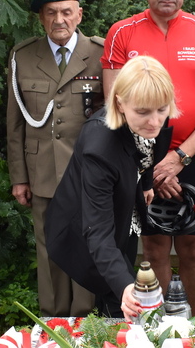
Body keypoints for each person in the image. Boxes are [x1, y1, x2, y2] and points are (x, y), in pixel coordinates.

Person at [102, 0, 195, 313]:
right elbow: (114, 104)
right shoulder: (121, 34)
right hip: (139, 161)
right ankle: (157, 330)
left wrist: (178, 157)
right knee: (153, 246)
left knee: (193, 247)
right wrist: (151, 166)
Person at [45, 56, 175, 320]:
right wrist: (125, 287)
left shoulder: (151, 113)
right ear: (120, 103)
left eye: (162, 109)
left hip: (123, 214)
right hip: (82, 230)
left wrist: (146, 183)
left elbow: (148, 150)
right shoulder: (100, 148)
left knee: (120, 280)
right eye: (143, 112)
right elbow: (98, 232)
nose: (154, 121)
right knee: (120, 297)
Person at [6, 0, 105, 318]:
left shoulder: (100, 53)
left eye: (66, 11)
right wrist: (19, 176)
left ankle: (85, 319)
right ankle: (53, 317)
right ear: (41, 19)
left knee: (88, 242)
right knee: (48, 246)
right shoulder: (23, 56)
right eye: (51, 13)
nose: (59, 19)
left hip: (88, 171)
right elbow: (15, 121)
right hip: (43, 171)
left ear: (79, 14)